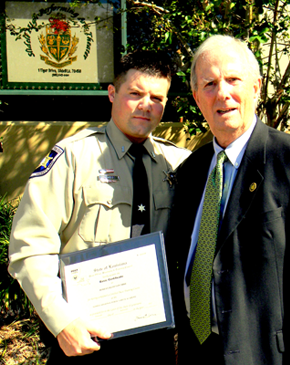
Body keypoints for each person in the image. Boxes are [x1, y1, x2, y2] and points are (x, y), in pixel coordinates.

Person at [170, 35, 290, 365]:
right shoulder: (189, 173)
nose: (222, 93)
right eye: (209, 84)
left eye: (232, 79)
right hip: (199, 353)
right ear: (197, 98)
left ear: (256, 88)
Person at [8, 50, 190, 364]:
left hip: (155, 343)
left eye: (157, 98)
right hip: (85, 340)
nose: (146, 105)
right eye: (135, 93)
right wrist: (61, 321)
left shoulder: (177, 163)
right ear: (111, 93)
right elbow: (30, 248)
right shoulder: (73, 158)